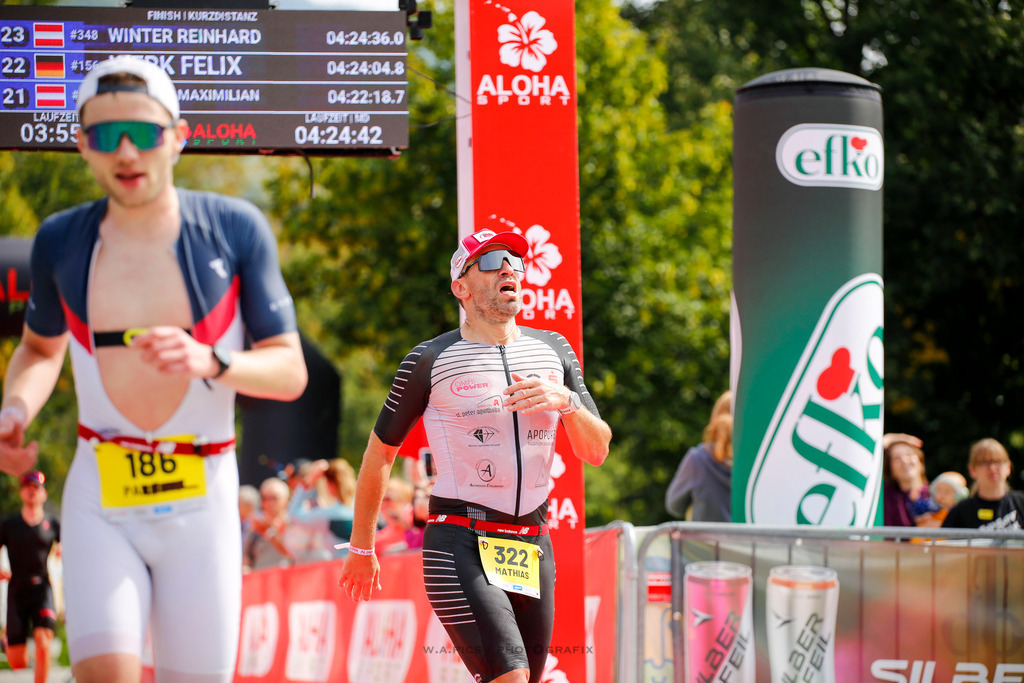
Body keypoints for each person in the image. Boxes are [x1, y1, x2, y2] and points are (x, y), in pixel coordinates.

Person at [0, 56, 307, 682]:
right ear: (82, 144)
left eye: (142, 132)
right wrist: (14, 409)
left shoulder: (232, 227)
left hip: (203, 499)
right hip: (100, 496)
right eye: (105, 135)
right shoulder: (62, 238)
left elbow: (289, 370)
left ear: (177, 136)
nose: (126, 152)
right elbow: (40, 349)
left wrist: (212, 360)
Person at [338, 229, 612, 683]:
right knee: (511, 678)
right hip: (460, 540)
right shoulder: (429, 359)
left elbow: (596, 450)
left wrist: (566, 402)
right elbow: (380, 454)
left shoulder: (554, 350)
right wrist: (362, 546)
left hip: (531, 543)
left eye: (515, 261)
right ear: (460, 287)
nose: (508, 269)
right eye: (489, 262)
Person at [0, 471, 61, 683]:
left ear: (44, 494)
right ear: (21, 492)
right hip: (17, 590)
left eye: (37, 488)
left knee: (44, 641)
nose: (32, 492)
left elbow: (69, 548)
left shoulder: (53, 524)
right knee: (18, 662)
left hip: (43, 589)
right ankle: (7, 641)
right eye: (28, 488)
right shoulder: (10, 524)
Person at [665, 391, 733, 522]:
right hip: (748, 536)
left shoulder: (698, 459)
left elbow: (674, 506)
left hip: (705, 535)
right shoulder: (756, 464)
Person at [943, 438, 1024, 530]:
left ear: (1008, 467)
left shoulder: (1021, 503)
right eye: (984, 462)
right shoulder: (961, 511)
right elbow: (942, 538)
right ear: (972, 470)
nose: (992, 468)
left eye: (997, 461)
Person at [287, 458, 357, 561]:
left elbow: (294, 515)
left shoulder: (329, 515)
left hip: (342, 565)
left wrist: (309, 480)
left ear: (330, 484)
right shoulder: (363, 508)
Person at [882, 439, 938, 526]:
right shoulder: (884, 497)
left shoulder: (937, 494)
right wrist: (899, 437)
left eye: (909, 454)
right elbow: (873, 450)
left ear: (921, 462)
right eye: (897, 458)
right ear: (889, 470)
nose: (904, 460)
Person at [243, 477, 295, 571]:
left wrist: (268, 532)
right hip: (260, 577)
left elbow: (295, 555)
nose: (269, 503)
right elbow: (246, 558)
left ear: (286, 500)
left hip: (286, 577)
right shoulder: (255, 527)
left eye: (274, 498)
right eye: (265, 498)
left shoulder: (293, 524)